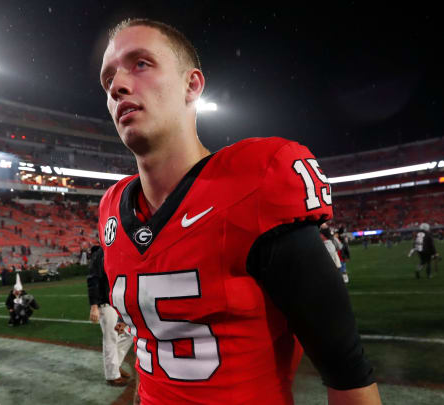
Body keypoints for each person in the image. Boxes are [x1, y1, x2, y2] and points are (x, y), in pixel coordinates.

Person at [97, 18, 381, 404]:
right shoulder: (112, 209)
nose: (117, 85)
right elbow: (151, 357)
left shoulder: (256, 181)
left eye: (141, 64)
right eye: (108, 78)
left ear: (192, 85)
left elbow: (348, 375)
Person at [87, 245, 133, 386]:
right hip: (105, 303)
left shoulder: (111, 249)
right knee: (110, 338)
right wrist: (94, 305)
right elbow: (92, 279)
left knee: (129, 333)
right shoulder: (100, 254)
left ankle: (115, 365)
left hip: (115, 302)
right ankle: (112, 376)